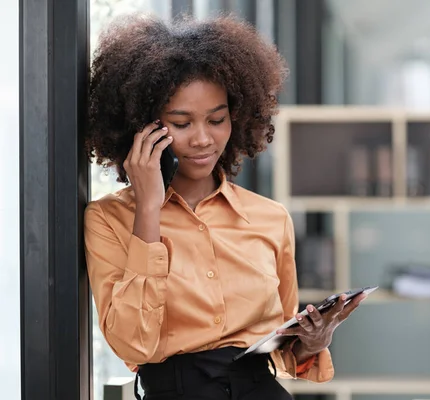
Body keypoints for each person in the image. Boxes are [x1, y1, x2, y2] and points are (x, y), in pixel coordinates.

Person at [83, 13, 367, 400]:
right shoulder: (109, 220)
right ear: (142, 129)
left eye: (217, 119)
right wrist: (148, 209)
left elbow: (281, 350)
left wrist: (313, 341)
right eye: (181, 123)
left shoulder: (270, 218)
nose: (203, 139)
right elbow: (134, 346)